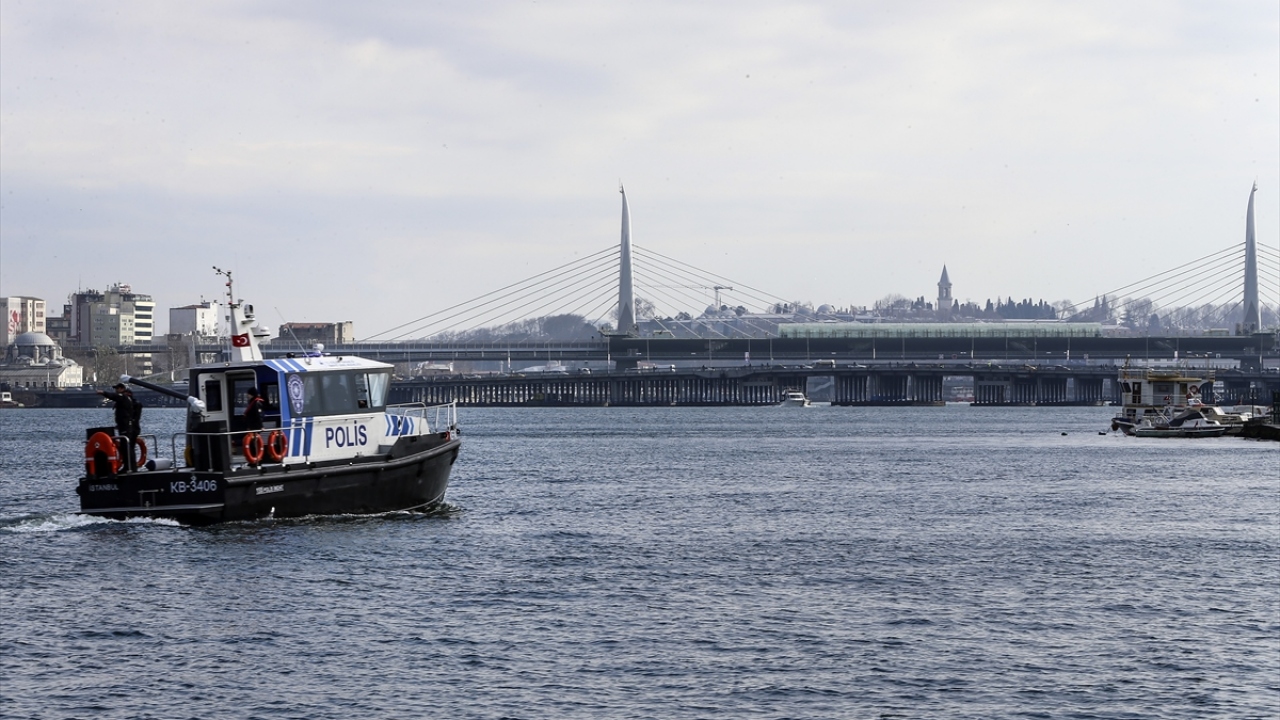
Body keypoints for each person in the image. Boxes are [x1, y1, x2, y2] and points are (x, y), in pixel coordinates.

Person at [97, 383, 139, 470]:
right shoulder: (127, 398)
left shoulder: (123, 397)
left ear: (122, 389)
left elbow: (114, 396)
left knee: (125, 446)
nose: (116, 390)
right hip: (125, 425)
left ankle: (129, 467)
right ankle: (131, 466)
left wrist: (103, 392)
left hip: (125, 426)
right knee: (127, 447)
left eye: (117, 388)